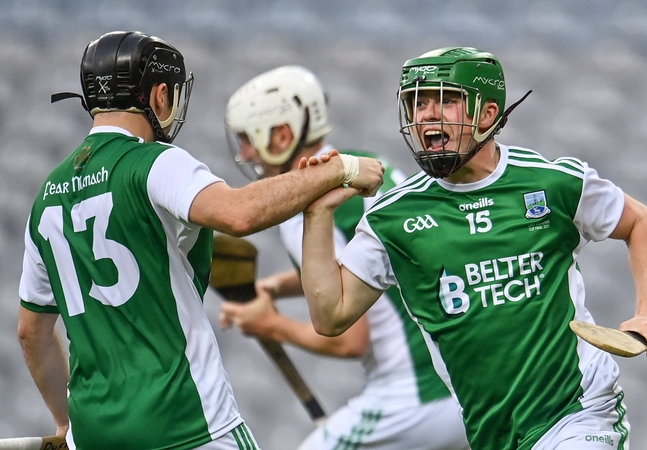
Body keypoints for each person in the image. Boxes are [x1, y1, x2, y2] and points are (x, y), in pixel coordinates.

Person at [17, 31, 383, 450]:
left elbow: (32, 332)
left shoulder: (47, 195)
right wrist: (339, 170)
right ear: (158, 95)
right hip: (187, 423)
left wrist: (66, 425)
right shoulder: (153, 162)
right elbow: (239, 214)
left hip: (94, 432)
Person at [299, 47, 647, 450]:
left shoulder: (552, 183)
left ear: (487, 113)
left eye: (445, 100)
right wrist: (316, 214)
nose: (426, 114)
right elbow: (330, 315)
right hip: (491, 434)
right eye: (417, 102)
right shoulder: (393, 216)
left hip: (579, 412)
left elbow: (641, 223)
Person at [219, 65, 470, 450]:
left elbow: (349, 339)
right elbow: (372, 262)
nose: (244, 152)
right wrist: (278, 286)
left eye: (246, 138)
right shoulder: (369, 164)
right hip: (460, 385)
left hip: (410, 395)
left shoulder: (314, 203)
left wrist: (272, 325)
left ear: (282, 134)